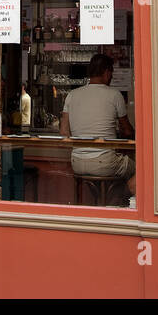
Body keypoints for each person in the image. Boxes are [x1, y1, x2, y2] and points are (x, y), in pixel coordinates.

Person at [59, 54, 135, 204]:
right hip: (105, 162)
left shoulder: (72, 95)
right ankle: (120, 204)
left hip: (77, 162)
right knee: (142, 167)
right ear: (107, 72)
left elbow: (64, 132)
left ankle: (101, 201)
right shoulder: (114, 94)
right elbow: (127, 131)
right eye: (111, 72)